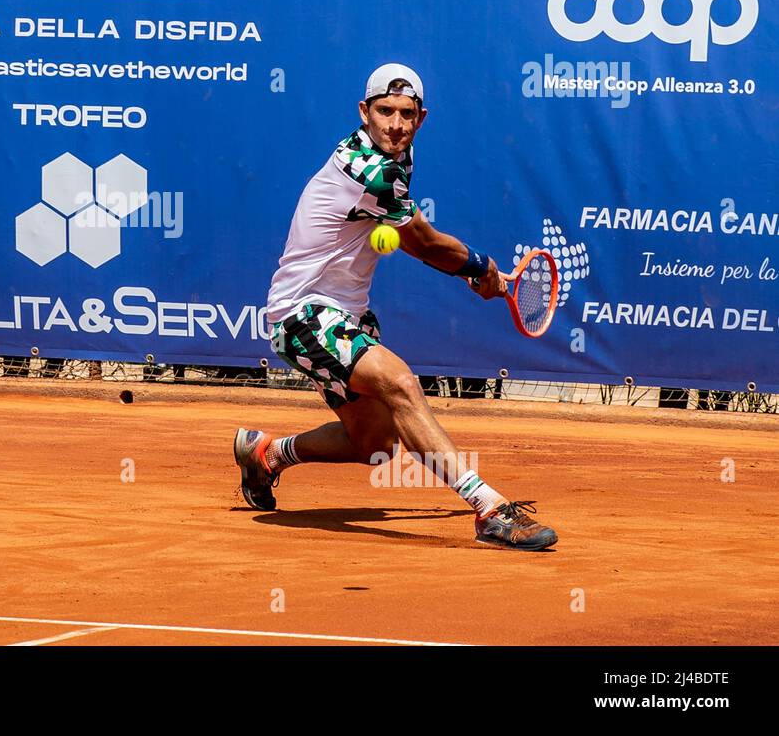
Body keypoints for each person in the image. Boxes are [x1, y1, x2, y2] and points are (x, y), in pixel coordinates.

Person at [234, 63, 558, 550]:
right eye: (384, 111)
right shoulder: (373, 171)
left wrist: (474, 270)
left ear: (421, 118)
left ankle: (267, 454)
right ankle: (490, 509)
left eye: (407, 114)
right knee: (401, 382)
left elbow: (416, 240)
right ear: (365, 111)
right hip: (302, 313)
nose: (395, 123)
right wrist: (482, 269)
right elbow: (424, 244)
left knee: (374, 446)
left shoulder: (396, 157)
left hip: (344, 315)